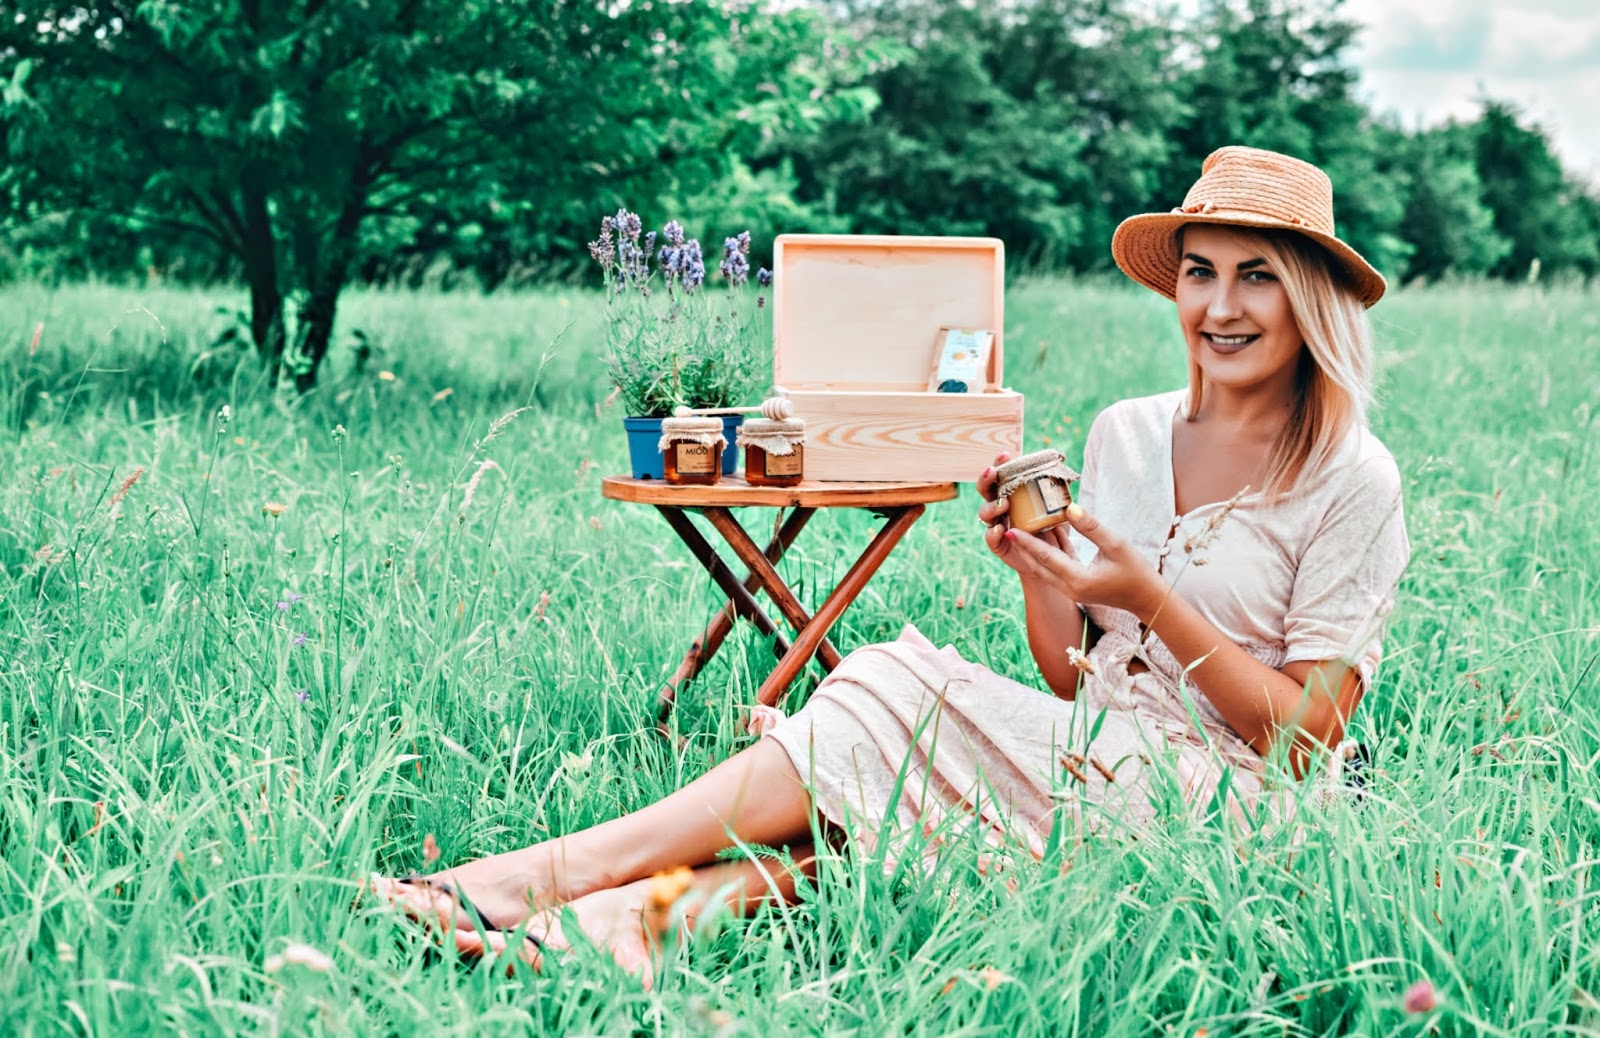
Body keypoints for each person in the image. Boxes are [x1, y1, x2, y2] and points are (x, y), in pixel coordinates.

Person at [373, 146, 1410, 982]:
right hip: (1098, 751)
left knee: (885, 686)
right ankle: (634, 918)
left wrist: (1148, 597)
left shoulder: (1349, 476)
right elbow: (1072, 676)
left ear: (1310, 294)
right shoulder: (1125, 433)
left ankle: (551, 872)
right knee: (911, 795)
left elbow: (1306, 738)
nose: (1220, 306)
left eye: (1257, 275)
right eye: (1200, 272)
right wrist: (1037, 573)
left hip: (1234, 810)